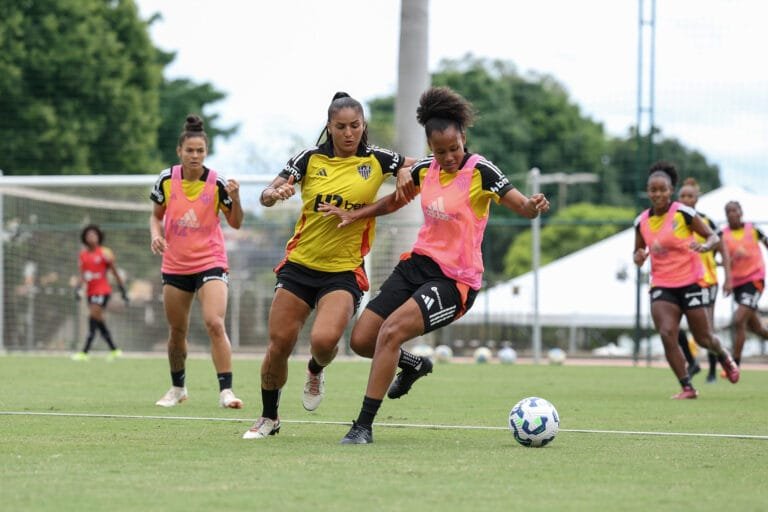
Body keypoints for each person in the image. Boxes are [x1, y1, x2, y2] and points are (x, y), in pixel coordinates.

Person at [319, 86, 550, 444]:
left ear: (464, 139)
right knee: (363, 340)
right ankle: (413, 365)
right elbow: (394, 202)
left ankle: (363, 425)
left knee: (391, 332)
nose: (448, 157)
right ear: (430, 148)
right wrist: (356, 214)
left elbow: (521, 205)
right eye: (439, 151)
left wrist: (533, 206)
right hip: (418, 265)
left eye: (454, 148)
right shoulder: (426, 169)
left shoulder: (480, 171)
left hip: (456, 281)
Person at [242, 92, 418, 440]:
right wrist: (273, 195)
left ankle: (315, 369)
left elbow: (419, 163)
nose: (349, 133)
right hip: (299, 266)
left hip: (342, 271)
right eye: (341, 127)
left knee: (324, 341)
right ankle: (269, 418)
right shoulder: (309, 159)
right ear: (329, 127)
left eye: (355, 126)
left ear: (363, 126)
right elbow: (268, 192)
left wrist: (405, 171)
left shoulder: (377, 158)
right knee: (279, 344)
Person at [149, 114, 244, 409]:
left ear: (206, 152)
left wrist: (236, 198)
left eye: (200, 151)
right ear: (180, 151)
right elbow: (156, 215)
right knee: (177, 331)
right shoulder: (166, 179)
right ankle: (178, 388)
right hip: (175, 265)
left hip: (210, 261)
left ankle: (226, 391)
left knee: (214, 322)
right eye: (189, 150)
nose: (194, 155)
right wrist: (155, 235)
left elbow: (236, 223)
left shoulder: (217, 184)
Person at [633, 161, 739, 400]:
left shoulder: (683, 213)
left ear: (671, 190)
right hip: (661, 285)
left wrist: (704, 246)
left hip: (691, 282)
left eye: (663, 189)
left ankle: (723, 356)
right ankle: (687, 387)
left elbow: (713, 237)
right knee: (666, 332)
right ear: (648, 192)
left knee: (703, 338)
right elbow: (637, 254)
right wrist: (638, 257)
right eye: (653, 190)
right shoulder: (641, 222)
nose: (658, 194)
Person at [676, 177, 732, 383]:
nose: (686, 199)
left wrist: (728, 276)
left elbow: (722, 248)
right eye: (682, 195)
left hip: (706, 280)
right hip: (680, 280)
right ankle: (692, 362)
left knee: (706, 330)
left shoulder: (706, 222)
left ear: (697, 199)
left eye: (690, 196)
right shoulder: (672, 222)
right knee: (672, 325)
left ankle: (713, 371)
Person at [719, 200, 768, 368]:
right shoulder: (723, 235)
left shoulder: (753, 230)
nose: (732, 214)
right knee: (756, 328)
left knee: (739, 320)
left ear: (741, 212)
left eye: (735, 210)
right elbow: (721, 260)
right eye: (728, 212)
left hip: (755, 280)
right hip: (737, 284)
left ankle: (734, 365)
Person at [71, 224, 128, 361]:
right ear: (85, 238)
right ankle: (114, 350)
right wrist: (78, 288)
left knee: (92, 317)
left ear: (99, 237)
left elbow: (114, 272)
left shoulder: (105, 252)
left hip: (103, 291)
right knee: (99, 320)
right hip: (90, 292)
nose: (92, 237)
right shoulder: (83, 255)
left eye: (94, 235)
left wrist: (123, 290)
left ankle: (84, 352)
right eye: (89, 235)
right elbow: (82, 275)